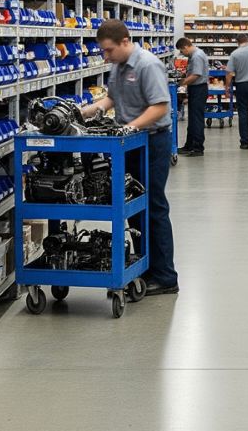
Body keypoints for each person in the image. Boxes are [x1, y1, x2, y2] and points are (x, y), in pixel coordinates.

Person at [82, 19, 178, 296]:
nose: (106, 56)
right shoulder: (118, 66)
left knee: (154, 206)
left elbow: (160, 106)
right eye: (103, 51)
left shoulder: (147, 65)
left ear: (125, 41)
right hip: (130, 143)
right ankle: (144, 268)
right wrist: (85, 111)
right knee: (135, 205)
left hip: (152, 141)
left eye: (109, 50)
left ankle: (165, 276)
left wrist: (132, 126)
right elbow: (110, 100)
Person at [175, 36, 210, 157]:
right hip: (195, 89)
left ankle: (198, 148)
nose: (182, 54)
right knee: (192, 119)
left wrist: (182, 83)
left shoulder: (197, 56)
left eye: (182, 51)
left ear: (186, 47)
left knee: (197, 119)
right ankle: (189, 145)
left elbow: (196, 75)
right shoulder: (193, 56)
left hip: (199, 89)